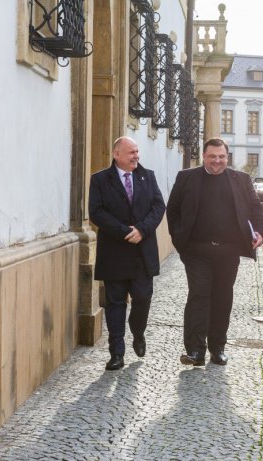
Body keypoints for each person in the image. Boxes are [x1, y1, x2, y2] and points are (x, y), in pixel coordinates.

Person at [167, 138, 263, 366]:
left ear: (227, 157)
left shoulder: (240, 179)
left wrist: (260, 232)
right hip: (196, 250)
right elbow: (172, 210)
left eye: (221, 157)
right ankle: (195, 350)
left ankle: (217, 347)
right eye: (212, 156)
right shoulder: (186, 178)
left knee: (223, 297)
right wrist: (179, 240)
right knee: (199, 294)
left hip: (228, 251)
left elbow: (255, 208)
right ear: (204, 156)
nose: (217, 161)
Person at [89, 136, 166, 371]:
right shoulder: (100, 179)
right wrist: (124, 232)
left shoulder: (147, 176)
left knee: (142, 298)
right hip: (115, 251)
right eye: (131, 152)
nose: (136, 156)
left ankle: (138, 332)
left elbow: (158, 206)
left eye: (137, 151)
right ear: (117, 154)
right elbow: (96, 212)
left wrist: (142, 230)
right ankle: (117, 353)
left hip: (142, 253)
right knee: (115, 303)